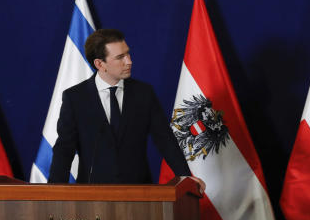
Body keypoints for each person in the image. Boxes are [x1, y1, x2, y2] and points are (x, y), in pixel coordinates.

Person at [48, 28, 203, 192]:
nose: (129, 61)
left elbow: (165, 140)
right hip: (92, 195)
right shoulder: (75, 98)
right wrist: (53, 191)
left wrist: (185, 177)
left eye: (128, 54)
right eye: (120, 57)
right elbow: (64, 149)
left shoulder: (144, 93)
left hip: (140, 193)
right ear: (100, 64)